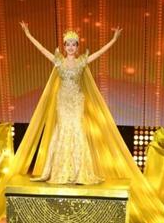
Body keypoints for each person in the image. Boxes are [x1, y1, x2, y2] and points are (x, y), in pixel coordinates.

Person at [20, 22, 121, 185]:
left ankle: (78, 172)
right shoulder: (58, 61)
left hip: (76, 101)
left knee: (77, 129)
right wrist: (28, 34)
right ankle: (61, 170)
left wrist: (114, 39)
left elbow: (100, 52)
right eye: (68, 44)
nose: (71, 47)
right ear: (64, 46)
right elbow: (42, 49)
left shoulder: (82, 61)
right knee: (63, 129)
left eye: (74, 44)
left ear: (77, 46)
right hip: (63, 101)